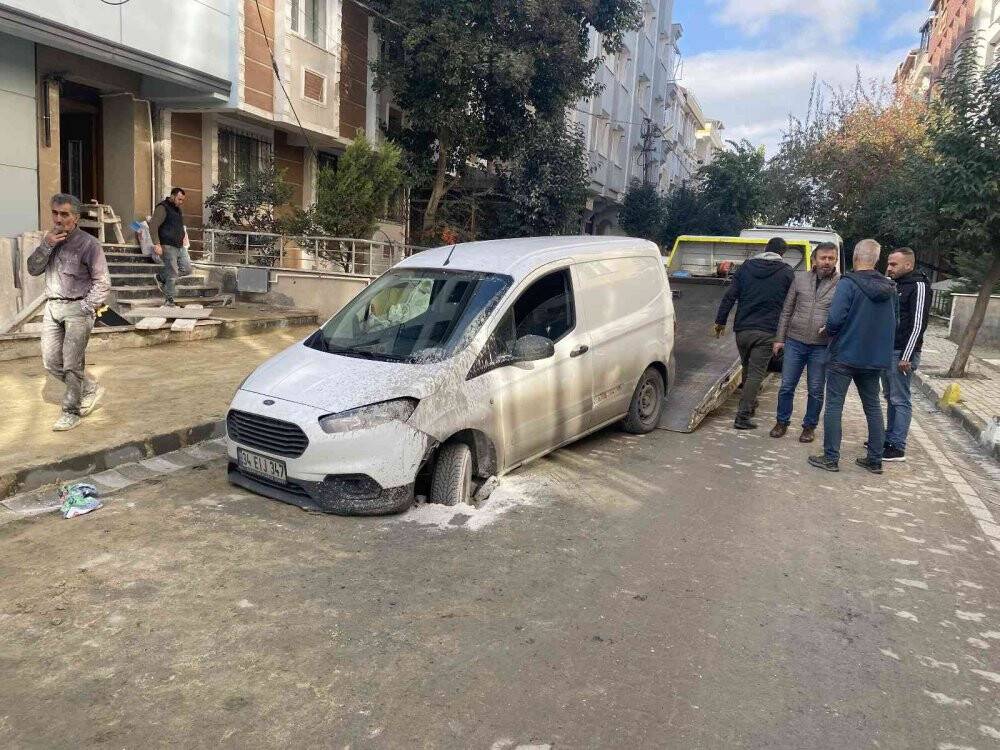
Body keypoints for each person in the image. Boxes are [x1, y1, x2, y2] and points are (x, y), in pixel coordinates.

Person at [809, 239, 897, 474]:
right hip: (874, 358)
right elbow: (894, 323)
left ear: (856, 256)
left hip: (845, 356)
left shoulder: (848, 283)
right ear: (877, 259)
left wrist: (827, 330)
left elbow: (836, 319)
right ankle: (875, 460)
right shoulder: (889, 287)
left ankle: (831, 458)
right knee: (873, 406)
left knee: (834, 406)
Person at [27, 193, 111, 431]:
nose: (58, 219)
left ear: (75, 218)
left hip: (78, 308)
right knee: (51, 361)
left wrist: (85, 308)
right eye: (54, 213)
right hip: (52, 307)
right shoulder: (49, 240)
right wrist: (47, 245)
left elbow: (102, 283)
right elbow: (33, 269)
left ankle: (70, 411)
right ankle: (88, 388)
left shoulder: (89, 244)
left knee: (72, 363)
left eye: (64, 214)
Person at [714, 237, 795, 430]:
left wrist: (720, 321)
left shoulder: (746, 267)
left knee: (747, 369)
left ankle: (750, 404)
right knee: (756, 374)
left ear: (766, 249)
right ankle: (742, 416)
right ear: (782, 253)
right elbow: (791, 304)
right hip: (767, 331)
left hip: (742, 329)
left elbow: (730, 295)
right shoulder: (786, 273)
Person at [770, 242, 841, 442]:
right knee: (786, 386)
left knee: (816, 389)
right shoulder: (799, 278)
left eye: (831, 258)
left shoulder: (842, 283)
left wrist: (831, 330)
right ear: (814, 260)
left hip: (821, 345)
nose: (826, 262)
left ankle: (809, 426)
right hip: (795, 341)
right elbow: (786, 310)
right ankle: (781, 422)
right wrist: (779, 339)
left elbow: (843, 314)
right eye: (823, 258)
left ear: (835, 260)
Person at [881, 248, 930, 461]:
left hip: (902, 352)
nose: (889, 267)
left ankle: (897, 446)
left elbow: (919, 323)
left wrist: (907, 356)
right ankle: (889, 437)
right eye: (889, 263)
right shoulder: (894, 283)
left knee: (900, 399)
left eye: (894, 264)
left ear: (908, 265)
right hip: (887, 350)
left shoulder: (919, 285)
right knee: (890, 397)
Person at [149, 187, 191, 306]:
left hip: (180, 245)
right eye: (179, 199)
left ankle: (161, 277)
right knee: (172, 273)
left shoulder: (177, 209)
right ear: (172, 196)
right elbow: (153, 225)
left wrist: (183, 239)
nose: (180, 202)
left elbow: (179, 227)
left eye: (182, 200)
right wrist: (157, 243)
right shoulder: (162, 207)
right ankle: (169, 300)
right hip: (167, 245)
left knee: (187, 269)